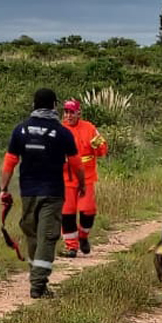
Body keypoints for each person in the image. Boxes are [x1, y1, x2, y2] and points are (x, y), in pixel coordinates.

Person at [0, 87, 85, 299]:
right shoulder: (62, 132)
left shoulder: (20, 130)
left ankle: (36, 278)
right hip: (53, 193)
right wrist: (82, 183)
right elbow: (76, 163)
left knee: (33, 236)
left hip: (27, 192)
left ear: (33, 105)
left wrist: (3, 189)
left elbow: (10, 162)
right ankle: (38, 285)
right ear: (54, 106)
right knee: (46, 237)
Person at [60, 98, 108, 256]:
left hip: (86, 178)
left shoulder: (89, 128)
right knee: (67, 213)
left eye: (71, 112)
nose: (68, 115)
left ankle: (83, 236)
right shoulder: (58, 130)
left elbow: (102, 149)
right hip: (66, 179)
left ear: (78, 113)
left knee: (88, 211)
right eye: (66, 112)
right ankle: (71, 246)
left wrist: (98, 146)